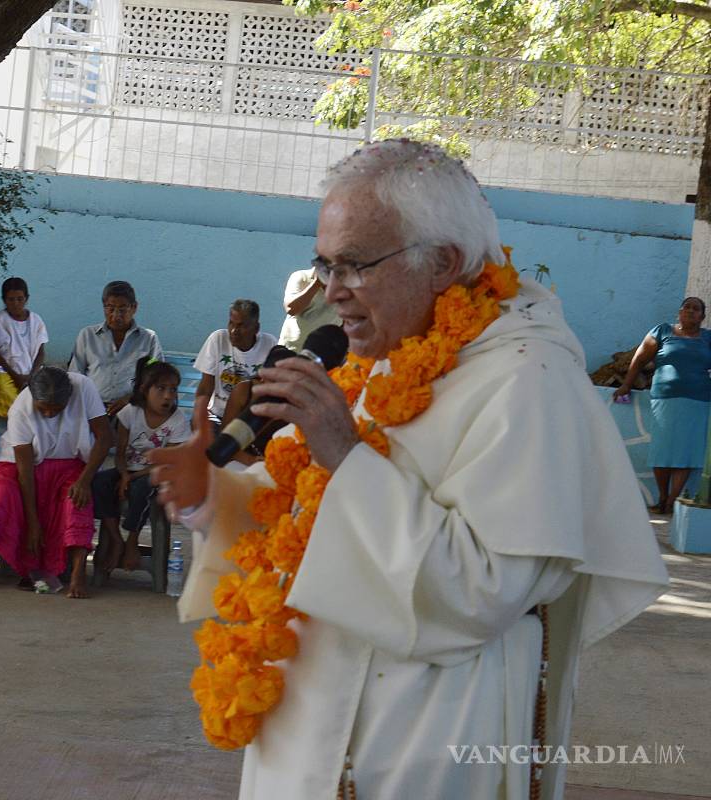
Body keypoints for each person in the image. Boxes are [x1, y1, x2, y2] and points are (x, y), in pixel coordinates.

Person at [149, 139, 669, 799]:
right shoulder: (382, 356)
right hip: (305, 715)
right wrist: (212, 495)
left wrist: (345, 453)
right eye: (325, 264)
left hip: (422, 734)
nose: (331, 291)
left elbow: (483, 588)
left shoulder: (529, 379)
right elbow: (300, 508)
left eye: (354, 266)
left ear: (442, 263)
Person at [0, 366, 111, 598]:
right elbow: (24, 470)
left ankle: (78, 575)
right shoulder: (20, 410)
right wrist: (33, 523)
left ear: (69, 398)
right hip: (20, 463)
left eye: (57, 409)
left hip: (70, 461)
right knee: (2, 495)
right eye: (43, 408)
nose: (49, 414)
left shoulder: (84, 387)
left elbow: (105, 437)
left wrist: (84, 481)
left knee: (76, 501)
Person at [92, 358, 190, 578]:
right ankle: (116, 539)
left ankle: (132, 541)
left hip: (158, 474)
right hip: (128, 470)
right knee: (99, 482)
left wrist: (133, 476)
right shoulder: (130, 412)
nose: (168, 396)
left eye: (173, 389)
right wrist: (124, 474)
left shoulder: (178, 421)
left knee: (142, 488)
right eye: (161, 388)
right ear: (145, 390)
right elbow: (119, 453)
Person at [613, 296, 711, 513]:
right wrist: (626, 385)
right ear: (679, 312)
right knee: (662, 450)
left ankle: (670, 501)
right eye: (687, 307)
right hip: (665, 399)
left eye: (696, 309)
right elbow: (639, 359)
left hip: (698, 401)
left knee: (686, 452)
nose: (691, 311)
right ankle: (663, 496)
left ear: (702, 316)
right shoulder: (662, 331)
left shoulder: (708, 338)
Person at [70, 281, 162, 415]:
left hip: (133, 407)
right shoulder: (87, 335)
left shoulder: (148, 338)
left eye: (122, 309)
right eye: (110, 308)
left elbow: (156, 377)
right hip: (92, 407)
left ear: (134, 307)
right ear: (104, 307)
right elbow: (75, 375)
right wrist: (90, 404)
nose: (116, 315)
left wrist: (131, 398)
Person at [193, 299, 277, 427]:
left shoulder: (270, 344)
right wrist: (198, 419)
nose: (233, 331)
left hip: (248, 419)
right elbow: (205, 388)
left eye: (241, 326)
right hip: (216, 416)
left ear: (256, 328)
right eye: (231, 323)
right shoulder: (218, 339)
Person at [0, 276, 48, 418]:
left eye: (20, 299)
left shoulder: (36, 320)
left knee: (46, 396)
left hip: (32, 372)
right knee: (6, 395)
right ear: (4, 300)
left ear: (26, 299)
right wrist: (15, 376)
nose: (15, 303)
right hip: (6, 373)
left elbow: (40, 352)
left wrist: (32, 376)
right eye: (11, 299)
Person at [277, 267, 341, 349]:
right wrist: (316, 284)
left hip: (323, 352)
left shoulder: (347, 287)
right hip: (292, 350)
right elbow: (291, 309)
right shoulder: (301, 277)